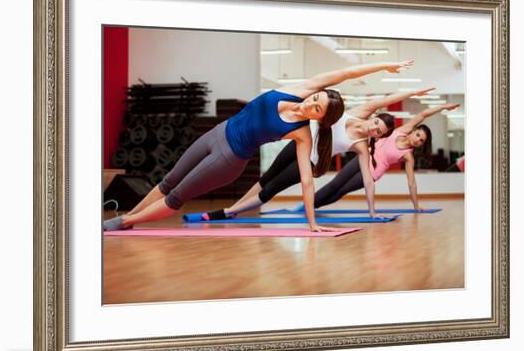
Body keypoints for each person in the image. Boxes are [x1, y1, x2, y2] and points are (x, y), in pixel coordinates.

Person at [103, 61, 400, 232]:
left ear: (321, 118)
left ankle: (124, 221)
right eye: (316, 99)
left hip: (229, 159)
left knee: (179, 195)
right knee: (168, 182)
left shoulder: (302, 134)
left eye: (318, 108)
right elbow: (346, 73)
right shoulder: (299, 90)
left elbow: (307, 182)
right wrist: (385, 66)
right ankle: (128, 218)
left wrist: (312, 224)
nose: (312, 104)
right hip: (217, 133)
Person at [200, 82, 435, 221]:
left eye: (378, 132)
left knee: (272, 189)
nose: (373, 129)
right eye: (376, 124)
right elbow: (390, 97)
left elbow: (368, 180)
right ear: (373, 117)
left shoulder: (361, 146)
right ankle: (235, 209)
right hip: (299, 142)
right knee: (266, 178)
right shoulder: (359, 111)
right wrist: (413, 93)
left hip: (310, 162)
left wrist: (372, 211)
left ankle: (227, 211)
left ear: (379, 137)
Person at [306, 103, 461, 212]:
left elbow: (412, 183)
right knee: (335, 184)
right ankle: (307, 204)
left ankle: (314, 207)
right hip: (362, 158)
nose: (417, 140)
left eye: (421, 141)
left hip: (373, 171)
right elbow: (422, 114)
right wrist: (442, 107)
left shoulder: (408, 156)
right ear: (414, 131)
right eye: (418, 135)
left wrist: (416, 205)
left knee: (341, 191)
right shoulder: (402, 130)